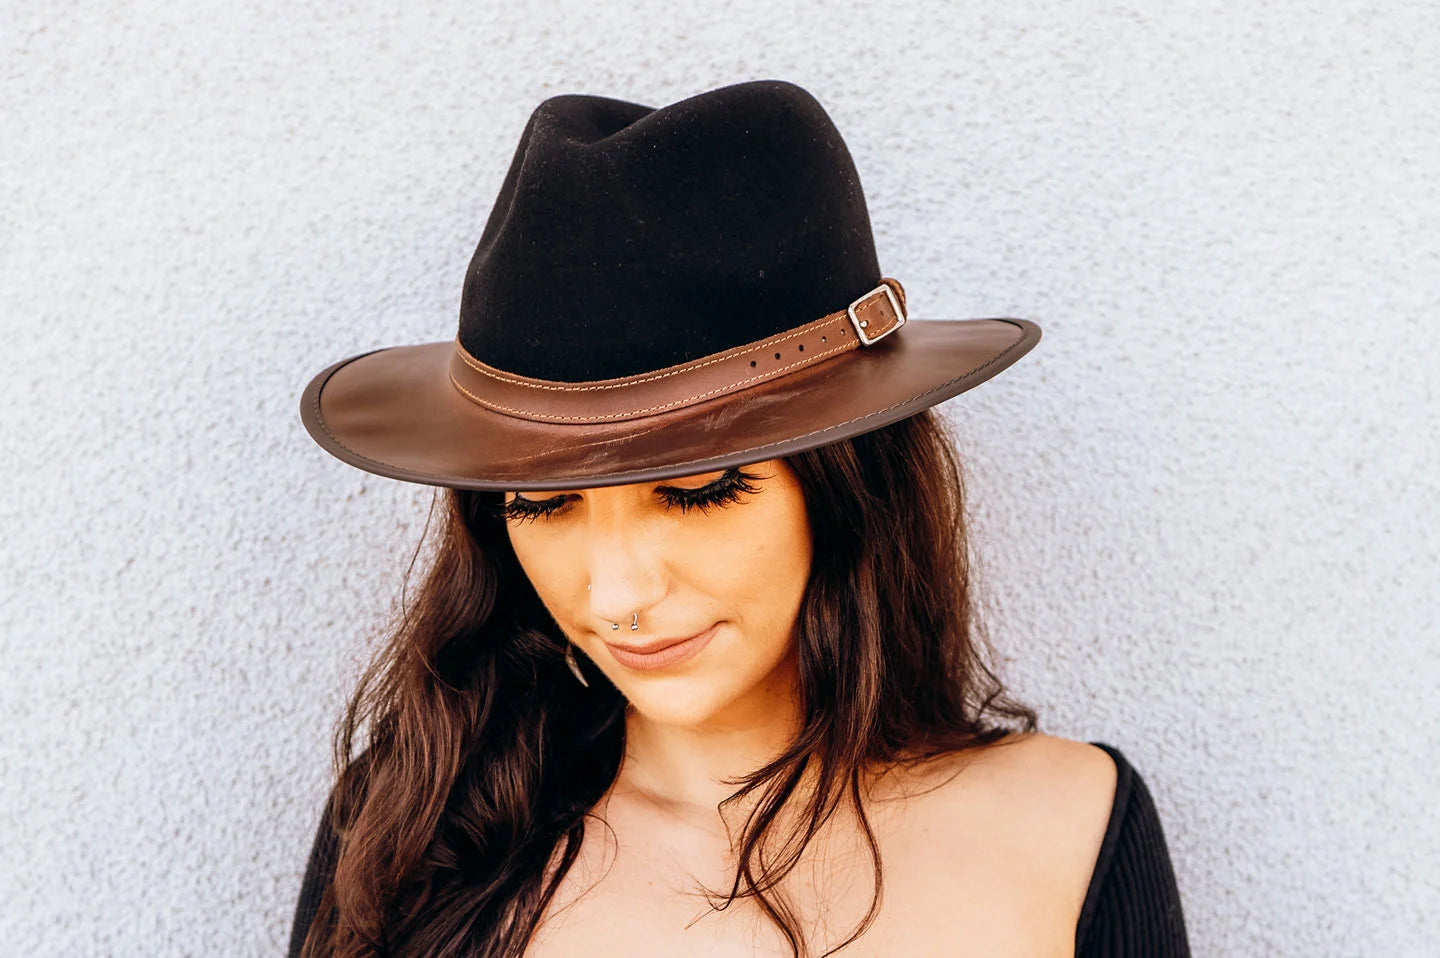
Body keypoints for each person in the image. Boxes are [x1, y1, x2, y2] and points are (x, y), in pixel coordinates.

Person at [288, 79, 1190, 957]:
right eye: (542, 503)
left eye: (698, 491)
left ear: (849, 488)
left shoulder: (1071, 831)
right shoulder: (411, 836)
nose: (619, 593)